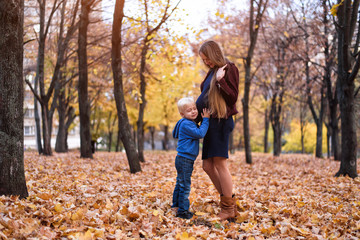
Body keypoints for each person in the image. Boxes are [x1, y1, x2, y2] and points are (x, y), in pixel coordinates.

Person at [196, 40, 239, 221]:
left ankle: (228, 208)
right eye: (204, 60)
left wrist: (221, 81)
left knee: (220, 165)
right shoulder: (212, 71)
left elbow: (232, 97)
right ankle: (229, 201)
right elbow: (205, 97)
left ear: (214, 54)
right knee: (207, 166)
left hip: (221, 121)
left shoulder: (229, 69)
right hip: (210, 123)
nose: (206, 62)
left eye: (207, 58)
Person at [172, 97, 210, 219]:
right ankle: (183, 211)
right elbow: (200, 134)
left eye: (194, 109)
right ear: (182, 114)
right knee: (185, 185)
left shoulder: (185, 123)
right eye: (189, 110)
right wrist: (206, 120)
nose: (193, 111)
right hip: (185, 160)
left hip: (183, 158)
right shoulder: (187, 124)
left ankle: (176, 205)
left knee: (180, 182)